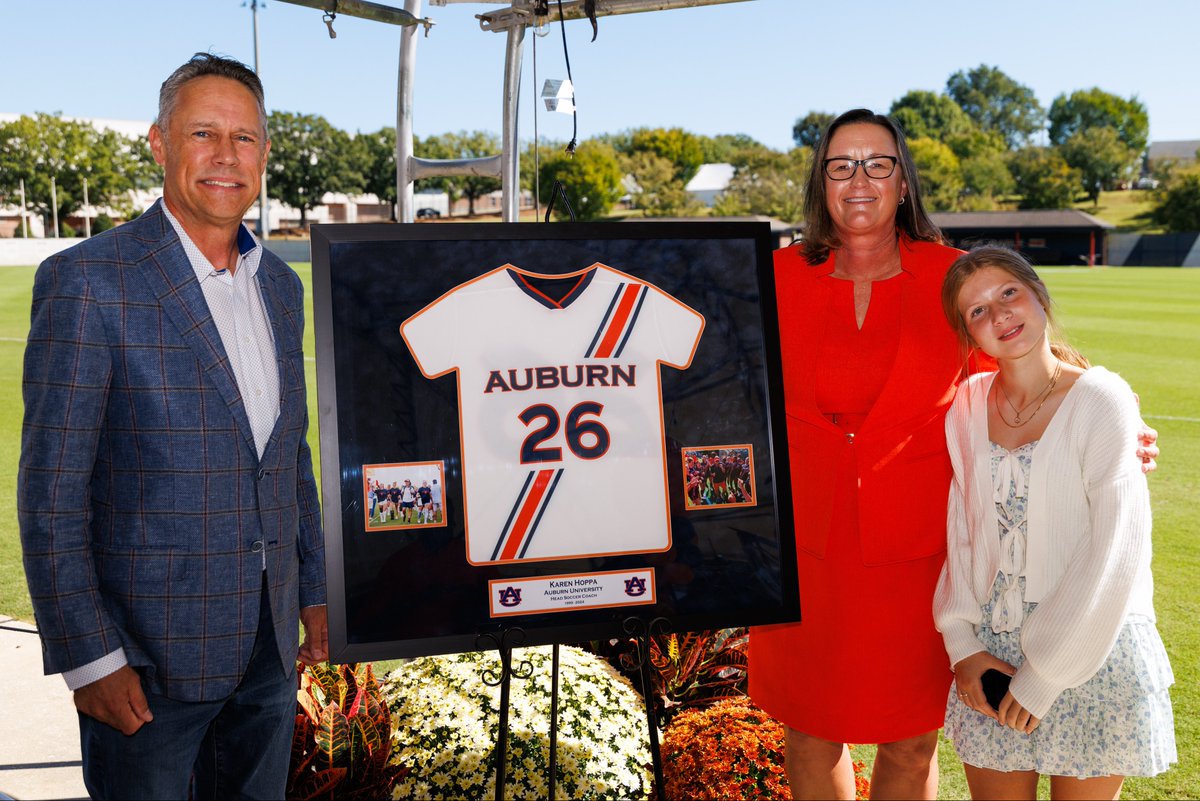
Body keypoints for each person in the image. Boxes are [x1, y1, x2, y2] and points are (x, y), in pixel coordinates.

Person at [746, 109, 1158, 800]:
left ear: (903, 181)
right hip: (803, 549)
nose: (859, 179)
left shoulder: (947, 275)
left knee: (910, 744)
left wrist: (1112, 409)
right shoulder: (772, 276)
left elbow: (1016, 355)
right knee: (810, 734)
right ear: (820, 182)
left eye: (878, 164)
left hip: (920, 555)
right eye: (841, 165)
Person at [18, 53, 326, 800]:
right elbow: (51, 494)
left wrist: (315, 591)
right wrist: (90, 659)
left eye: (244, 137)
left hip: (268, 652)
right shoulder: (89, 281)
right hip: (146, 664)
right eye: (203, 133)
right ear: (160, 143)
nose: (227, 155)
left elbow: (289, 458)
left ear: (265, 154)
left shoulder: (281, 287)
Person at [934, 246, 1175, 799]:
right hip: (992, 653)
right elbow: (963, 532)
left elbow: (1116, 551)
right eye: (977, 310)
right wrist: (962, 644)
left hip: (1092, 651)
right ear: (969, 335)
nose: (999, 314)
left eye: (1009, 293)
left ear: (1038, 294)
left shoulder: (1102, 398)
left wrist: (1046, 675)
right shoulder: (967, 404)